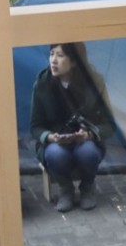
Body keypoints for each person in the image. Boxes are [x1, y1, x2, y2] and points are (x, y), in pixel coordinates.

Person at [30, 43, 116, 213]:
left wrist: (90, 134)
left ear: (75, 61)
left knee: (88, 152)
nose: (53, 60)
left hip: (86, 141)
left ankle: (87, 187)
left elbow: (109, 125)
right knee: (56, 153)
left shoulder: (94, 82)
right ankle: (65, 190)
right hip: (55, 143)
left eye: (60, 56)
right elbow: (35, 126)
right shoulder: (42, 84)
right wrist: (50, 137)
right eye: (51, 54)